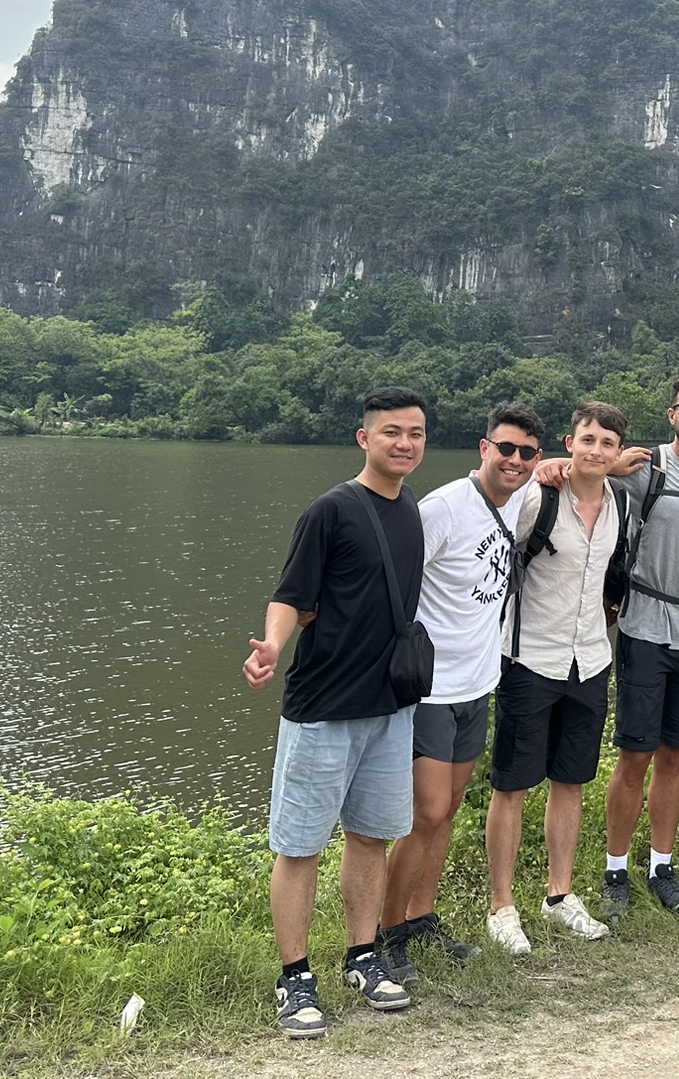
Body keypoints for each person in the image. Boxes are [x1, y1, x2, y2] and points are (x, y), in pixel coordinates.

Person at [242, 387, 431, 1038]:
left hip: (389, 708)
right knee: (299, 847)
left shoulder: (410, 507)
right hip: (323, 708)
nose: (404, 443)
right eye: (391, 433)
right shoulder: (331, 510)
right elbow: (293, 595)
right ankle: (294, 977)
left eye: (414, 433)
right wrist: (272, 644)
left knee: (371, 836)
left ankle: (361, 955)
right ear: (364, 439)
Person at [375, 401, 545, 986]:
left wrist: (611, 460)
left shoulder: (521, 494)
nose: (514, 460)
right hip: (431, 688)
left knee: (445, 814)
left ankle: (421, 917)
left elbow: (571, 469)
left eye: (526, 452)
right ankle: (384, 934)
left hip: (479, 683)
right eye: (505, 448)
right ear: (484, 448)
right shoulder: (445, 507)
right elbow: (391, 574)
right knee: (425, 814)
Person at [481, 400, 631, 954]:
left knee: (572, 781)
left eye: (606, 444)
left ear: (616, 453)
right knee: (511, 785)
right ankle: (501, 905)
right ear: (570, 443)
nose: (596, 451)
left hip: (590, 660)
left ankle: (560, 894)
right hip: (529, 660)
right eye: (587, 440)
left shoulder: (620, 504)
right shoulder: (535, 499)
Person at [600, 370, 679, 915]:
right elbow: (571, 481)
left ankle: (662, 866)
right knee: (635, 755)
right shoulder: (644, 467)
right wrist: (602, 463)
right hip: (646, 628)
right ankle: (614, 873)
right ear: (671, 415)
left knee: (674, 755)